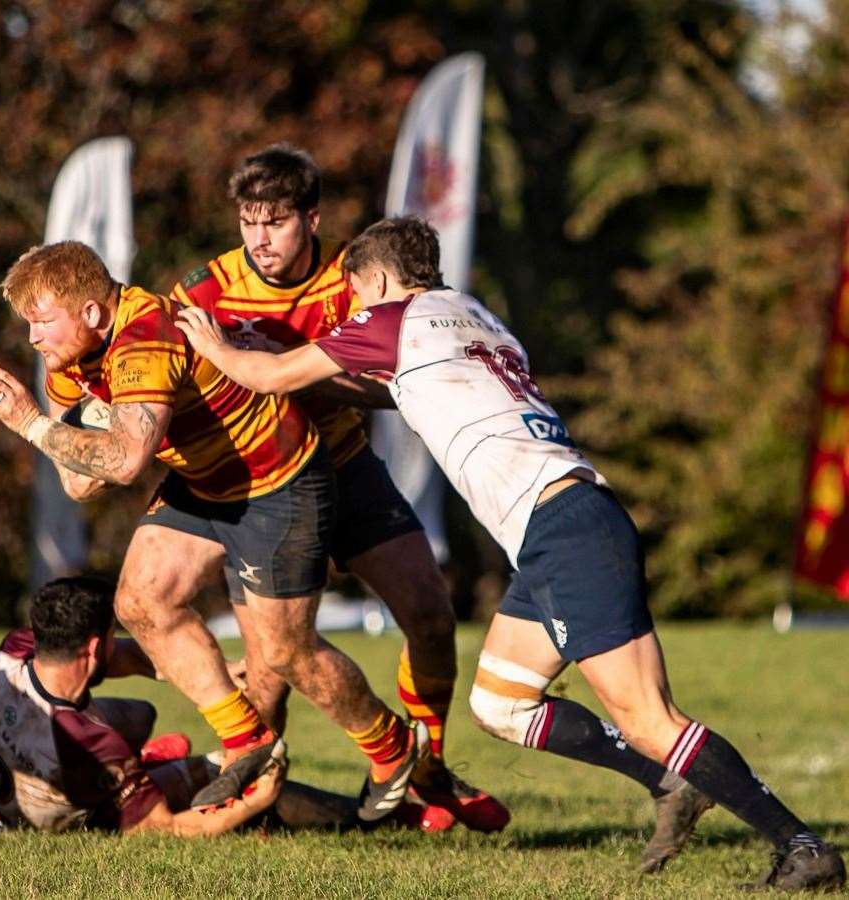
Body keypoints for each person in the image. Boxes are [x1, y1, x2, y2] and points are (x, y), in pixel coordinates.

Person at [175, 216, 846, 890]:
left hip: (564, 528)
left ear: (376, 279)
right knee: (502, 704)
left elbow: (269, 375)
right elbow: (396, 389)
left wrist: (210, 338)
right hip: (561, 524)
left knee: (648, 717)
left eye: (354, 297)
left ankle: (801, 845)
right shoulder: (471, 313)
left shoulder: (391, 319)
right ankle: (669, 783)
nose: (352, 312)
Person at [0, 241, 426, 822]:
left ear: (90, 313)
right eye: (28, 325)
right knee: (140, 601)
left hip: (275, 478)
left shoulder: (144, 334)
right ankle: (247, 740)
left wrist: (35, 426)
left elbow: (129, 460)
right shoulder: (68, 362)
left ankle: (391, 747)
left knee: (285, 653)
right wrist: (62, 429)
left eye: (42, 323)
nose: (34, 339)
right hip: (205, 480)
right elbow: (81, 484)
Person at [170, 145, 506, 833]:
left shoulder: (357, 277)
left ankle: (426, 771)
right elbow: (162, 369)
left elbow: (397, 385)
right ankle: (254, 811)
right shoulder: (208, 287)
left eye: (276, 222)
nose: (259, 239)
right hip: (258, 481)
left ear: (312, 218)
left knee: (431, 612)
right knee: (268, 665)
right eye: (248, 222)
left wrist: (292, 370)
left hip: (344, 465)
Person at [0, 576, 429, 835]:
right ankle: (380, 820)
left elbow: (122, 656)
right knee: (227, 772)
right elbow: (164, 831)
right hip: (56, 811)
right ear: (90, 647)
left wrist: (214, 675)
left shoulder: (18, 647)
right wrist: (251, 805)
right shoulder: (95, 746)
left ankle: (146, 767)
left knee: (139, 715)